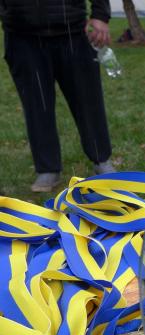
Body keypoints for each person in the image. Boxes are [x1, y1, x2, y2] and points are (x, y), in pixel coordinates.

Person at [1, 0, 115, 193]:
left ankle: (101, 159)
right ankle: (47, 168)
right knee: (37, 105)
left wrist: (100, 15)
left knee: (88, 100)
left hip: (72, 29)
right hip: (21, 33)